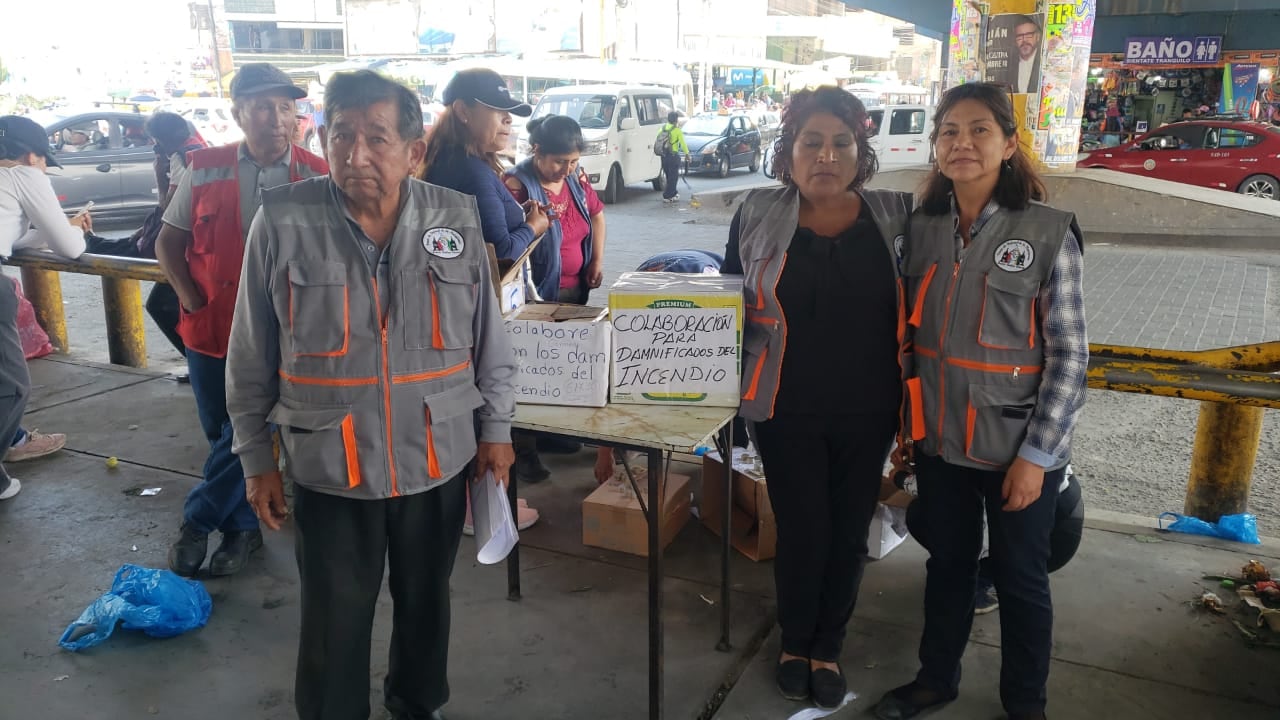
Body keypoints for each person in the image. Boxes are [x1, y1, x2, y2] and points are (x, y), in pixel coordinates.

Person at [226, 69, 517, 720]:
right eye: (342, 137)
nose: (356, 155)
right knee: (334, 614)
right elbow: (250, 355)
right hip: (332, 463)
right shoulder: (282, 221)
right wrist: (255, 458)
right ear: (323, 139)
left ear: (413, 151)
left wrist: (497, 430)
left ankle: (418, 705)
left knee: (427, 602)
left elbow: (488, 338)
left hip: (437, 455)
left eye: (376, 138)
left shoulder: (456, 217)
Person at [873, 82, 1087, 720]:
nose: (962, 144)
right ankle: (935, 680)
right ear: (935, 146)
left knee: (1021, 580)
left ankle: (1026, 705)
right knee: (949, 566)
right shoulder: (923, 228)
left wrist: (1039, 456)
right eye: (948, 132)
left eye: (979, 130)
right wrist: (907, 438)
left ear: (1009, 143)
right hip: (940, 440)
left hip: (1016, 448)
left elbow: (1070, 356)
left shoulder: (1048, 233)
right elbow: (908, 338)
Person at [721, 87, 913, 710]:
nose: (826, 155)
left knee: (849, 530)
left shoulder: (897, 215)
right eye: (812, 143)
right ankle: (794, 642)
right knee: (803, 529)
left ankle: (828, 645)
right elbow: (725, 311)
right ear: (788, 151)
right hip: (783, 407)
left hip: (870, 408)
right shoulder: (756, 212)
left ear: (861, 151)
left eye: (841, 143)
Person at [155, 63, 328, 578]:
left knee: (247, 432)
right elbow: (169, 241)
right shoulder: (204, 166)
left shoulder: (318, 173)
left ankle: (197, 520)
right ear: (238, 114)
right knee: (223, 436)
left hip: (290, 338)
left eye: (285, 107)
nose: (276, 118)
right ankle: (243, 531)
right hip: (212, 331)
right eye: (262, 107)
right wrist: (190, 299)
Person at [420, 68, 552, 504]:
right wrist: (533, 226)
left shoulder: (458, 163)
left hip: (459, 307)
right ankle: (485, 504)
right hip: (479, 309)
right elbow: (498, 254)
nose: (507, 123)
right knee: (485, 406)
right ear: (463, 111)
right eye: (498, 112)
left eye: (510, 116)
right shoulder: (471, 172)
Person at [0, 115, 90, 499]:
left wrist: (62, 226)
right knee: (12, 386)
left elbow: (15, 238)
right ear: (29, 154)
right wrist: (76, 230)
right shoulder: (23, 176)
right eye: (42, 158)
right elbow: (70, 249)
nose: (42, 166)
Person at [503, 115, 605, 305]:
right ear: (538, 150)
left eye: (573, 161)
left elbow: (596, 215)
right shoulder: (516, 184)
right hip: (535, 294)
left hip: (577, 288)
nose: (567, 170)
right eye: (559, 161)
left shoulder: (576, 177)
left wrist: (596, 261)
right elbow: (506, 243)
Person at [659, 111, 689, 204]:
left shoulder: (662, 128)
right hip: (673, 156)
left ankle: (673, 193)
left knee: (669, 176)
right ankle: (667, 196)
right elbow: (683, 144)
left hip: (663, 156)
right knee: (673, 177)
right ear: (676, 120)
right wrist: (687, 154)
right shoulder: (677, 130)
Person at [1012, 15, 1042, 94]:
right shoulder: (1010, 66)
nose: (1024, 40)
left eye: (1029, 35)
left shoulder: (1043, 62)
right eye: (1019, 36)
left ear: (1037, 37)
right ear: (1015, 41)